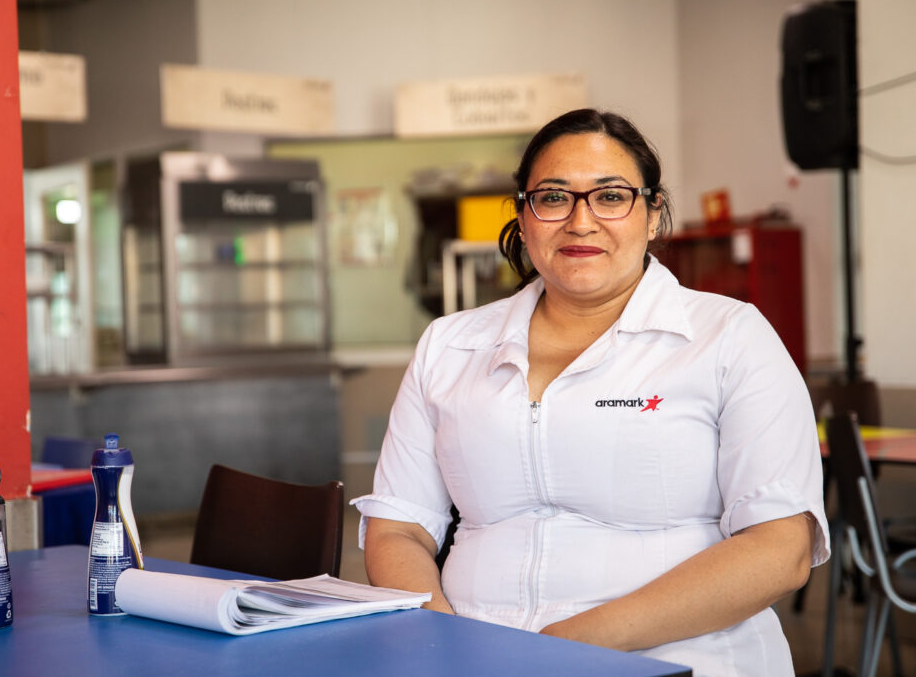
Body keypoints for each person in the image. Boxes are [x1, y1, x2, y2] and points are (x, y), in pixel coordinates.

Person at [351, 108, 829, 676]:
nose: (581, 222)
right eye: (554, 198)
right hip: (474, 654)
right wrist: (445, 641)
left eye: (610, 196)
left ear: (653, 215)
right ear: (524, 219)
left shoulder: (729, 337)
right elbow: (399, 527)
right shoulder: (449, 346)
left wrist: (561, 647)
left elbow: (781, 548)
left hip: (680, 657)